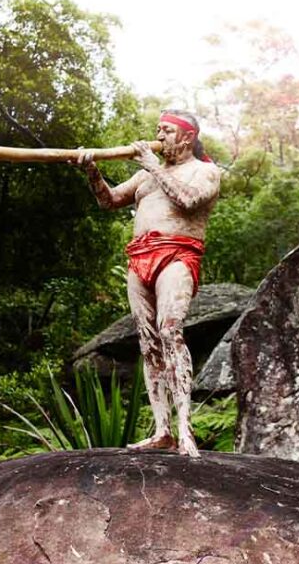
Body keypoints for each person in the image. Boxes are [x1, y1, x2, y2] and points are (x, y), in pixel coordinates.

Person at [77, 110, 220, 456]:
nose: (160, 135)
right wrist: (91, 170)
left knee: (170, 331)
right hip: (139, 258)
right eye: (158, 130)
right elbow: (108, 201)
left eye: (167, 131)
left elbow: (188, 200)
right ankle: (162, 431)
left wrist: (152, 164)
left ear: (187, 137)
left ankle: (185, 430)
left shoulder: (205, 171)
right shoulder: (145, 176)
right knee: (148, 342)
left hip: (177, 254)